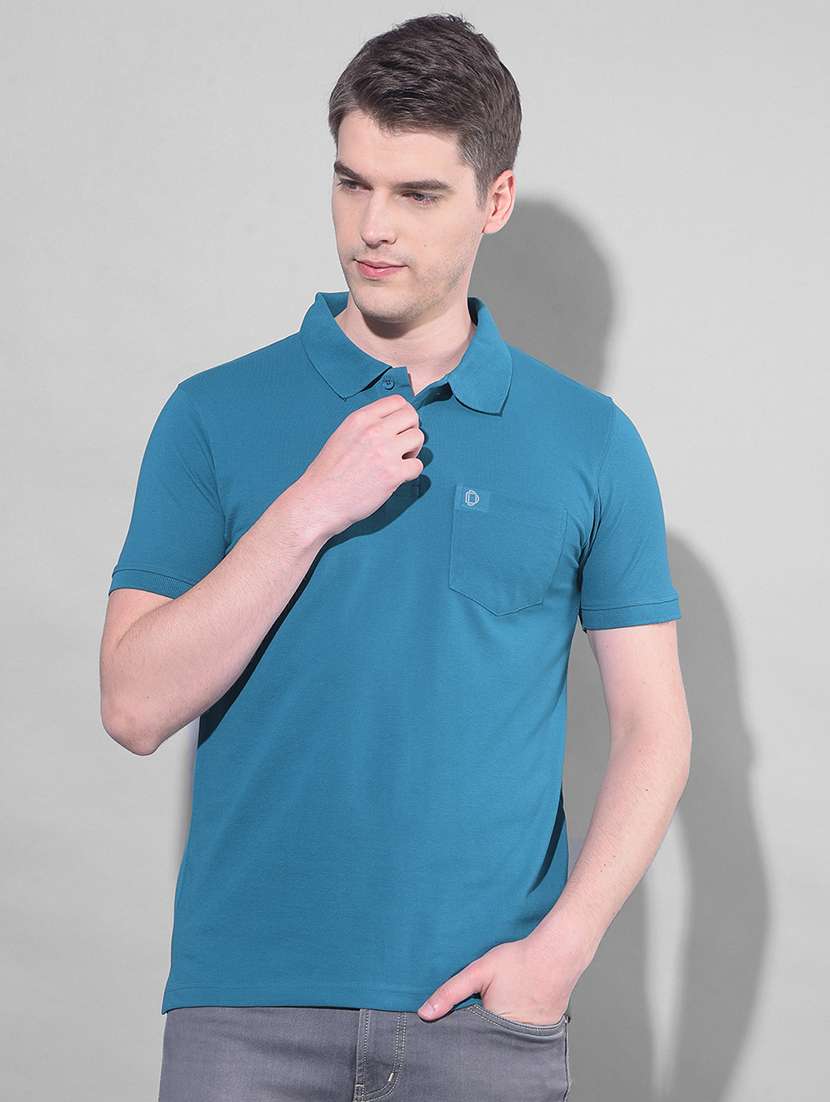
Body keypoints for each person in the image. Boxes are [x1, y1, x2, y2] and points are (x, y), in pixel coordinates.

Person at [100, 12, 692, 1102]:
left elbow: (656, 728)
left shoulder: (590, 442)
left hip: (486, 1023)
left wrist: (556, 956)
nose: (372, 227)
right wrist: (308, 509)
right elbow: (133, 705)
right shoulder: (212, 414)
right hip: (246, 1020)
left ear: (494, 201)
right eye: (351, 183)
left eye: (417, 194)